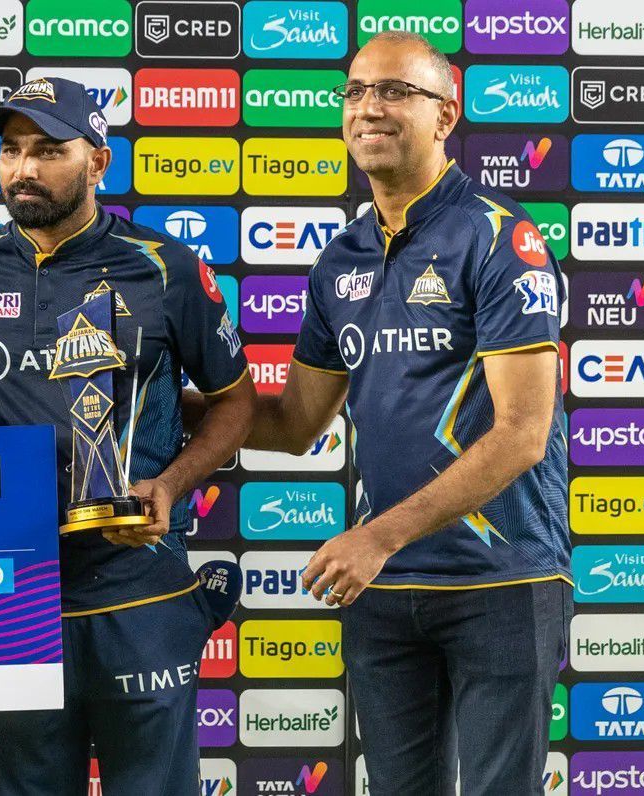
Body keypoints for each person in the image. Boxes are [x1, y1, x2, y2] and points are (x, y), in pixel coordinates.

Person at [0, 77, 255, 794]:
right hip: (15, 593)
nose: (23, 169)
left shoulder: (166, 268)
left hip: (140, 583)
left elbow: (234, 402)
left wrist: (173, 484)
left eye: (49, 150)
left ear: (97, 162)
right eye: (10, 151)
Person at [242, 32, 570, 795]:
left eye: (394, 92)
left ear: (445, 115)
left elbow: (524, 435)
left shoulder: (499, 238)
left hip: (499, 578)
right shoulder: (342, 258)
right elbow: (294, 423)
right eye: (355, 92)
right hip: (384, 592)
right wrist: (158, 405)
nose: (369, 109)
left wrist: (378, 536)